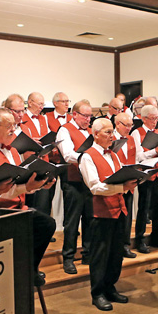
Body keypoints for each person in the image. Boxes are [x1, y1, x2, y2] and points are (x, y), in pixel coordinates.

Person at [0, 108, 56, 284]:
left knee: (47, 224)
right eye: (9, 126)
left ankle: (29, 268)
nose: (14, 130)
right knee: (41, 226)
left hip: (17, 209)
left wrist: (38, 184)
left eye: (15, 125)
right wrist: (26, 186)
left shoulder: (12, 151)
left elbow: (21, 184)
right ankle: (24, 270)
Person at [80, 118, 138, 311]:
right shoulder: (87, 157)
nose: (112, 136)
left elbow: (119, 175)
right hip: (100, 212)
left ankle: (110, 287)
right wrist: (121, 186)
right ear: (95, 134)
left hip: (119, 208)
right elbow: (95, 187)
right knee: (100, 255)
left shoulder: (114, 155)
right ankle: (97, 293)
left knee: (116, 253)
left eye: (112, 132)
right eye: (107, 132)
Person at [56, 101, 94, 274]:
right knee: (72, 221)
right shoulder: (65, 129)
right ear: (75, 114)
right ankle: (68, 258)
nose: (88, 119)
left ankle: (87, 253)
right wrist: (88, 157)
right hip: (73, 181)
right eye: (85, 116)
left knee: (89, 219)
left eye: (90, 116)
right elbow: (68, 155)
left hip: (89, 181)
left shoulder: (90, 131)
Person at [131, 104, 158, 252]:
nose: (155, 122)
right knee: (144, 208)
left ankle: (155, 236)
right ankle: (140, 239)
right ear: (143, 118)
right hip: (145, 174)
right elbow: (138, 156)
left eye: (156, 118)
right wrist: (154, 151)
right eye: (152, 119)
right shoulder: (136, 133)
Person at [114, 113, 137, 258]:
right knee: (116, 216)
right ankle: (115, 246)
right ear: (117, 124)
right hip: (116, 183)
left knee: (127, 216)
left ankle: (125, 245)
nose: (129, 128)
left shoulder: (132, 138)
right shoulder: (110, 139)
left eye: (131, 125)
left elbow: (138, 155)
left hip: (130, 182)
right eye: (126, 125)